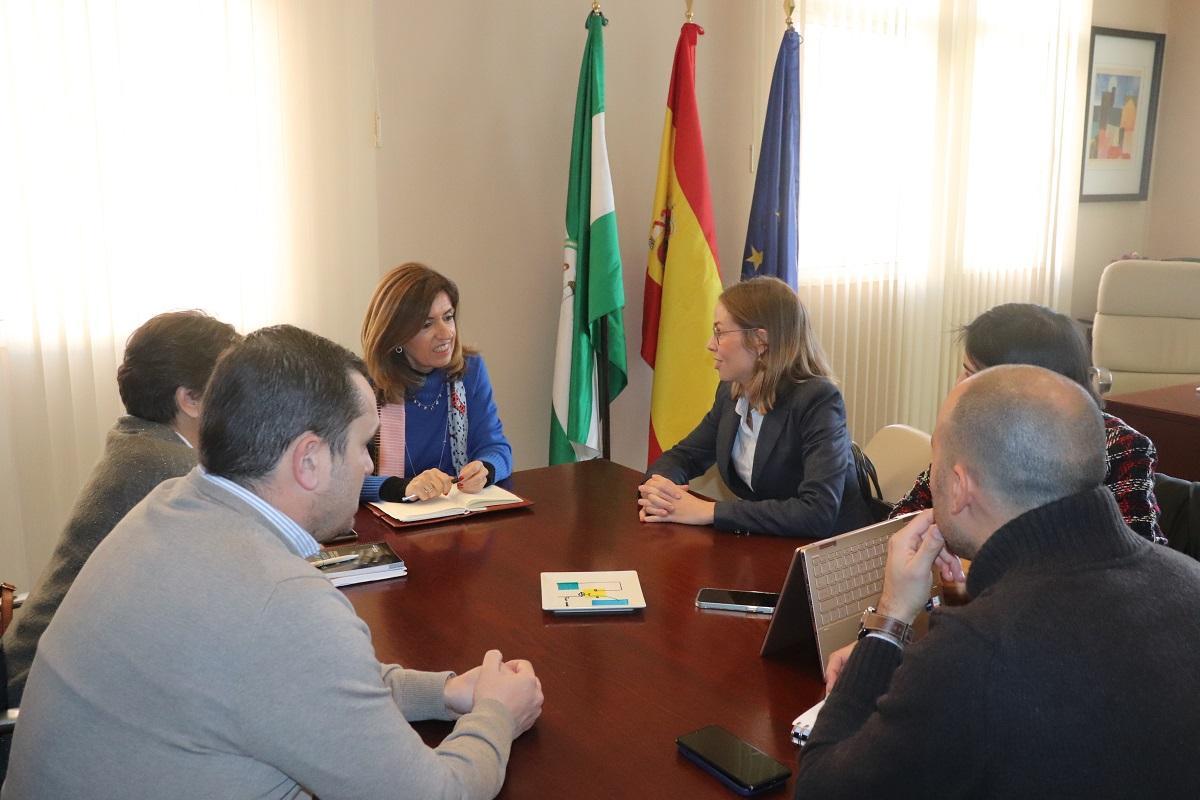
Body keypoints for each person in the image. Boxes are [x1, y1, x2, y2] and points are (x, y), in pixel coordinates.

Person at [3, 326, 543, 799]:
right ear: (308, 460)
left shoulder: (167, 505)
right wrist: (497, 713)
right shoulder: (280, 604)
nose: (368, 463)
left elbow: (301, 680)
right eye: (361, 444)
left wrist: (444, 691)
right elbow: (434, 793)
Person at [794, 365, 1200, 798]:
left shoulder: (977, 651)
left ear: (959, 483)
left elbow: (822, 787)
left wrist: (889, 619)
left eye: (936, 461)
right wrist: (962, 600)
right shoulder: (1188, 579)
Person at [1, 310, 240, 707]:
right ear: (190, 400)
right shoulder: (171, 472)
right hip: (39, 702)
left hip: (38, 672)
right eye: (231, 386)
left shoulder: (139, 443)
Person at [891, 302, 1165, 543]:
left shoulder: (1120, 446)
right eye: (963, 373)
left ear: (1029, 387)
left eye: (972, 377)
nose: (960, 387)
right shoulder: (970, 434)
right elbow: (904, 522)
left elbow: (1135, 556)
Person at [639, 277, 872, 538]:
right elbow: (685, 456)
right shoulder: (731, 394)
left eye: (719, 332)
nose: (710, 344)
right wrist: (659, 490)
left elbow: (817, 512)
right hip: (768, 544)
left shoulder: (817, 400)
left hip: (829, 558)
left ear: (760, 341)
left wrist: (709, 511)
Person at [359, 263, 513, 504]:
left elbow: (496, 448)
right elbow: (343, 480)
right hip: (389, 522)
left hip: (456, 515)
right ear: (396, 335)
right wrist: (403, 487)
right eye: (426, 324)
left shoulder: (470, 370)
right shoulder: (363, 385)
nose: (446, 333)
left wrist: (485, 469)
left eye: (448, 317)